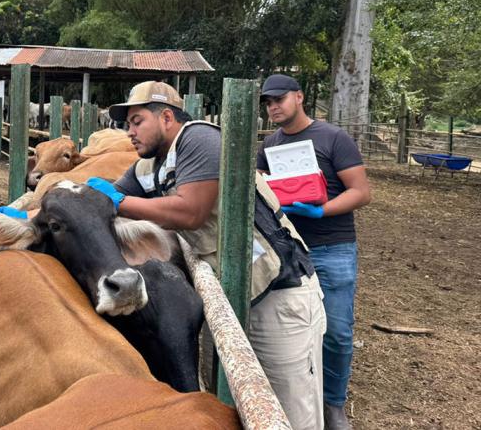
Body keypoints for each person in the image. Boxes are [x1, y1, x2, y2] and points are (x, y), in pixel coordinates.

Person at [88, 80, 326, 430]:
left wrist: (119, 202)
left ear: (167, 117)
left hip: (280, 293)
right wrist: (39, 211)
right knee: (241, 401)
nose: (130, 132)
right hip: (238, 292)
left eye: (137, 121)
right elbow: (101, 200)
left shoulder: (199, 139)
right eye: (127, 125)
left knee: (289, 410)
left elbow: (190, 212)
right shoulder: (149, 167)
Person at [257, 74, 371, 430]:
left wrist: (322, 211)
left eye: (279, 99)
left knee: (336, 330)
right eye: (268, 102)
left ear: (299, 97)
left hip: (333, 245)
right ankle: (301, 395)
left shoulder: (334, 138)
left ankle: (334, 404)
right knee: (296, 326)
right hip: (291, 250)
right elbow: (263, 188)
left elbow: (361, 192)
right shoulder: (270, 144)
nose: (273, 107)